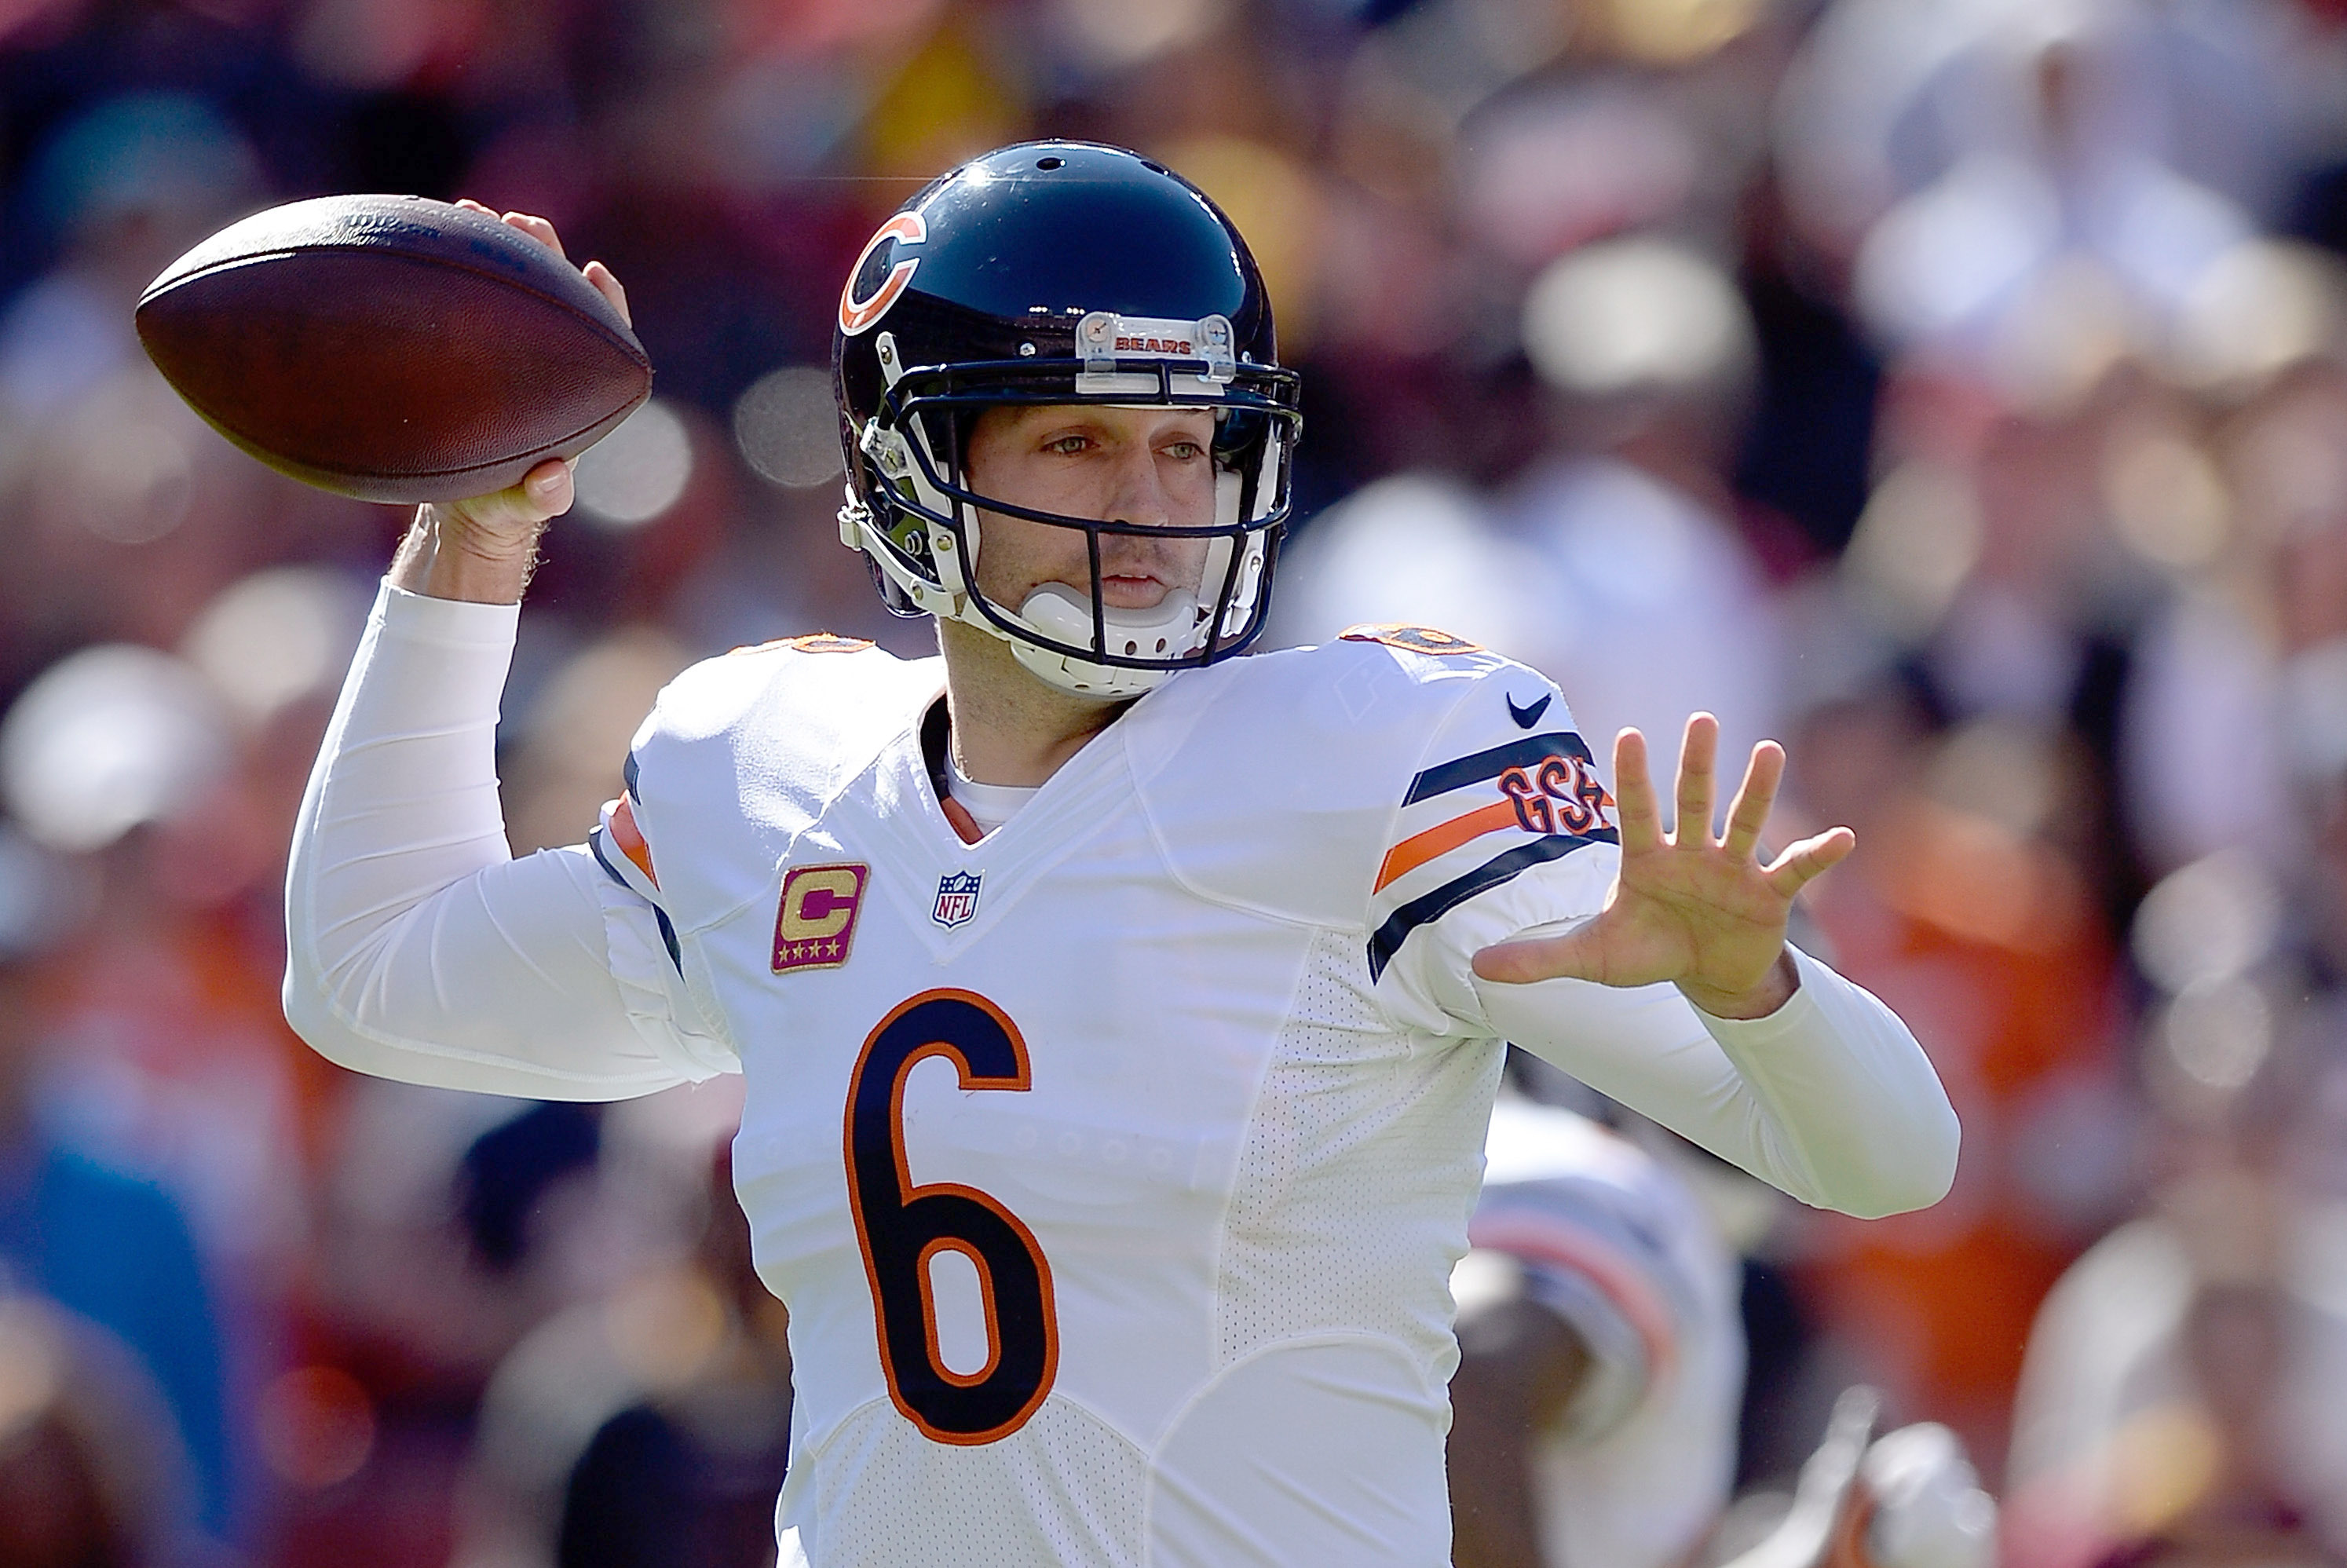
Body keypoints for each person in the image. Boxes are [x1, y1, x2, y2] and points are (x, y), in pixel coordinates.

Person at [283, 141, 1959, 1566]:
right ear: (915, 466)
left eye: (1192, 444)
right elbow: (371, 979)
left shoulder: (1376, 761)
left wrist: (1763, 992)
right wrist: (477, 530)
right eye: (1078, 441)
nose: (1156, 506)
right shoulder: (767, 769)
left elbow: (1886, 1162)